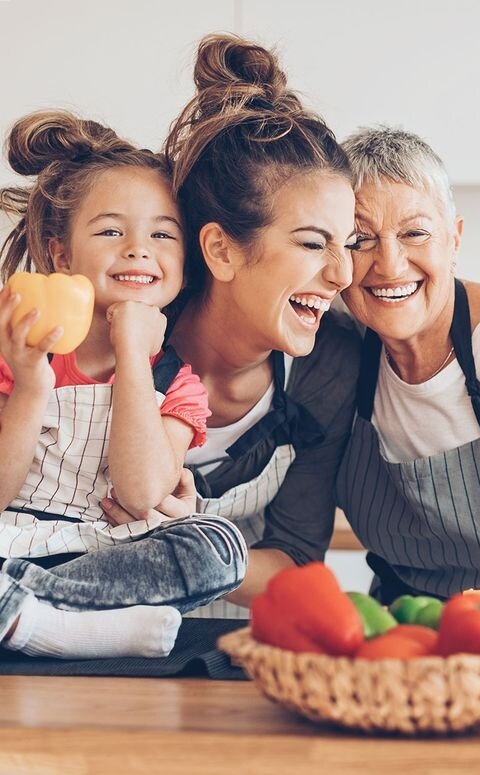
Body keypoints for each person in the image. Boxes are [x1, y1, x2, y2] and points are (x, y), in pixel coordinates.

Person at [102, 33, 361, 618]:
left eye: (347, 244)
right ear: (221, 250)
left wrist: (192, 538)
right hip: (87, 651)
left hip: (238, 660)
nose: (343, 273)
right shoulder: (112, 340)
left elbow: (295, 559)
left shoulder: (329, 367)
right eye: (313, 243)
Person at [0, 110, 247, 658]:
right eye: (111, 231)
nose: (138, 248)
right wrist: (31, 387)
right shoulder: (16, 356)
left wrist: (134, 354)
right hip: (12, 542)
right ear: (61, 253)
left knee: (220, 546)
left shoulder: (177, 384)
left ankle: (34, 614)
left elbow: (140, 495)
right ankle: (67, 629)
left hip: (105, 557)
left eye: (162, 233)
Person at [335, 126, 480, 603]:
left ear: (454, 240)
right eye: (359, 239)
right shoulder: (331, 351)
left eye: (414, 233)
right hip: (405, 635)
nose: (389, 265)